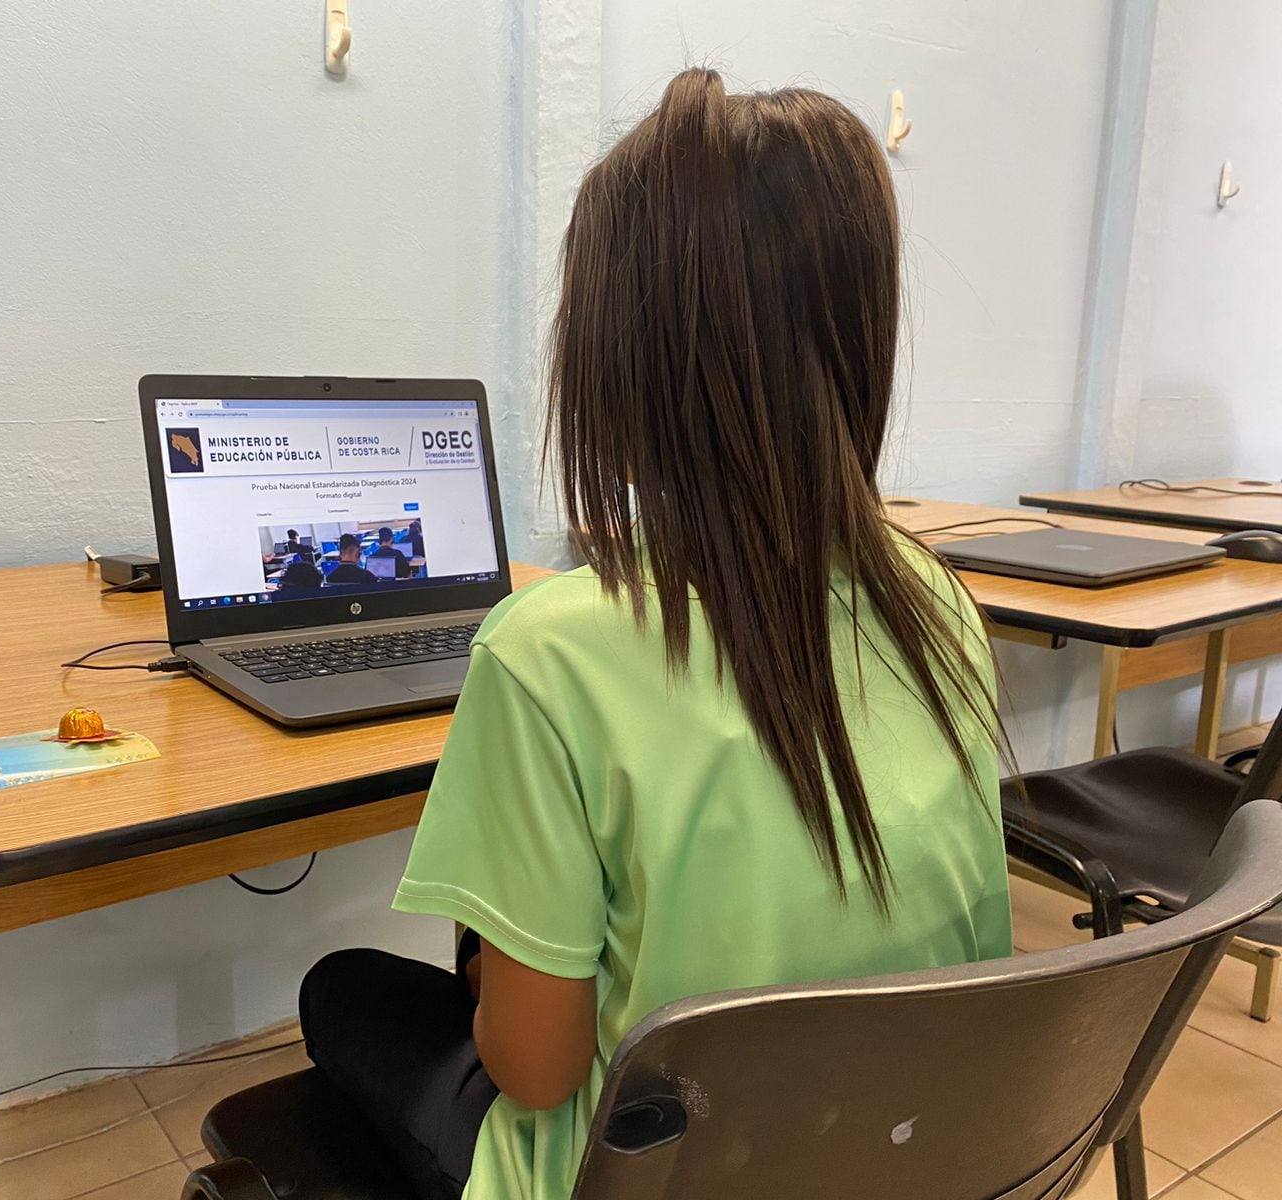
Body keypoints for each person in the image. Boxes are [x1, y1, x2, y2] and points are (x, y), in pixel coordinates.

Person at [297, 69, 1011, 1200]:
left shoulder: (547, 653)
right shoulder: (938, 606)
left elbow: (534, 1074)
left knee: (343, 990)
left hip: (636, 1178)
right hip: (892, 1154)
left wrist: (497, 972)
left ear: (615, 369)